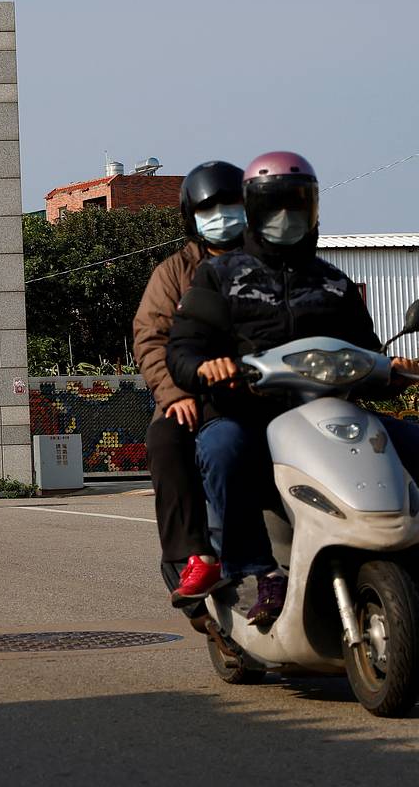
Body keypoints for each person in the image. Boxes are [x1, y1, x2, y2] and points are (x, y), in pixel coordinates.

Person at [167, 151, 419, 624]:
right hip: (250, 413)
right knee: (222, 448)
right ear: (252, 210)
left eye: (297, 204)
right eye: (273, 205)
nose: (286, 217)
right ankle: (262, 571)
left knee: (412, 440)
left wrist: (393, 369)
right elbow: (182, 350)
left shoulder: (335, 284)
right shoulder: (217, 276)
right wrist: (207, 368)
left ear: (315, 209)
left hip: (332, 414)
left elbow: (367, 353)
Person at [133, 161, 245, 608]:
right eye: (210, 208)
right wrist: (174, 393)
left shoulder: (275, 264)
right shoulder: (174, 272)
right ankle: (192, 555)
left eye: (230, 205)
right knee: (165, 439)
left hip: (270, 391)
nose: (222, 215)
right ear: (192, 217)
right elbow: (150, 338)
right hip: (195, 397)